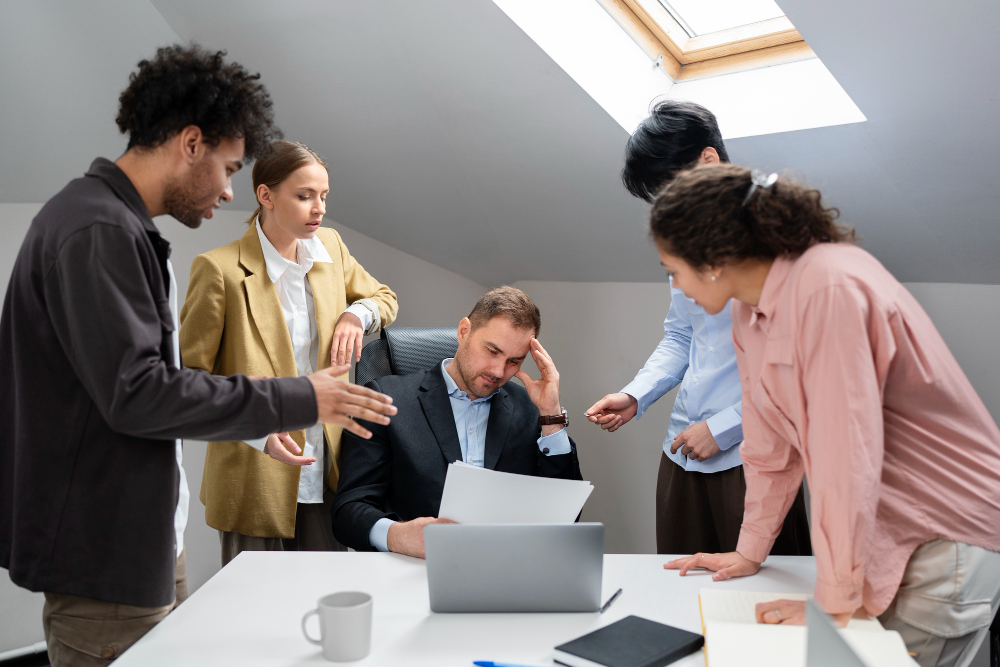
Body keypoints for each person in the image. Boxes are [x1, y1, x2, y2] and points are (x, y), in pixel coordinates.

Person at [0, 45, 397, 666]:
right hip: (104, 551)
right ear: (191, 144)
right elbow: (141, 394)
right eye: (229, 167)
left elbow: (151, 380)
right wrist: (303, 395)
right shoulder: (98, 231)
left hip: (141, 537)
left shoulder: (111, 223)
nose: (230, 190)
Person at [656, 165, 1000, 667]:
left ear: (713, 260)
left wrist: (833, 608)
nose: (675, 285)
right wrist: (749, 550)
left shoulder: (827, 286)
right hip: (881, 535)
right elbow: (769, 446)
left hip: (941, 538)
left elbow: (846, 459)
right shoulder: (748, 311)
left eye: (673, 269)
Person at [585, 100, 811, 557]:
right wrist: (636, 394)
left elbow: (801, 369)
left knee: (758, 598)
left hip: (751, 450)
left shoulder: (777, 237)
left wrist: (724, 428)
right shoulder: (685, 240)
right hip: (683, 447)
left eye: (670, 187)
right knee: (679, 588)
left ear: (708, 160)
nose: (668, 205)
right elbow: (682, 336)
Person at [180, 140, 398, 566]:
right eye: (304, 196)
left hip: (327, 462)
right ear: (266, 195)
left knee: (326, 604)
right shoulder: (219, 270)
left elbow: (384, 297)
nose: (318, 208)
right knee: (259, 617)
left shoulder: (331, 248)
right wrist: (258, 430)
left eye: (323, 196)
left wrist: (357, 314)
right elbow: (190, 381)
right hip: (252, 473)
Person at [332, 286, 583, 557]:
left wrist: (551, 417)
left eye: (514, 361)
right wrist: (397, 535)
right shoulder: (385, 399)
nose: (498, 371)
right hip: (415, 572)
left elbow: (567, 517)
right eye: (492, 351)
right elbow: (348, 511)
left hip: (506, 570)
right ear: (464, 331)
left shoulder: (532, 409)